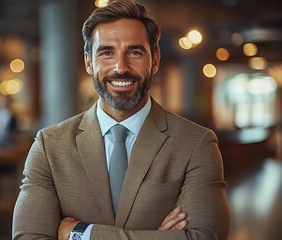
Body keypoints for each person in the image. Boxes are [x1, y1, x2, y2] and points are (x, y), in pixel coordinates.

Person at [12, 0, 230, 239]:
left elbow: (205, 237)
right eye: (106, 53)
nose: (120, 67)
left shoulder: (196, 144)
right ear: (88, 62)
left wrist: (83, 234)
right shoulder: (49, 145)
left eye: (135, 52)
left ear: (155, 60)